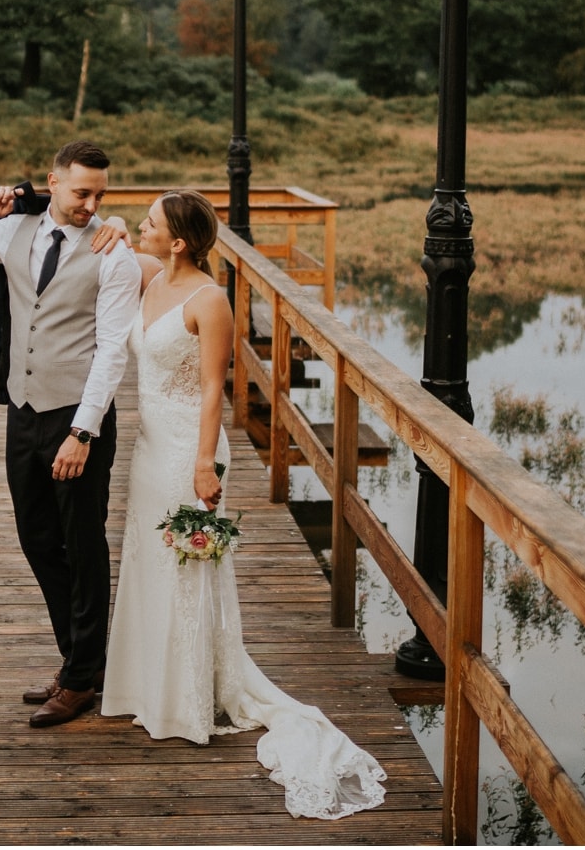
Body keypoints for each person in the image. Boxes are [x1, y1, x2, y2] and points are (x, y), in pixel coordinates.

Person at [101, 190, 387, 820]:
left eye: (151, 222)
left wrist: (205, 464)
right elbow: (112, 237)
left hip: (187, 448)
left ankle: (185, 698)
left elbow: (212, 391)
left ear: (178, 241)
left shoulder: (210, 300)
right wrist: (118, 224)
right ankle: (148, 683)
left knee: (184, 566)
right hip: (148, 447)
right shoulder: (150, 276)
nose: (142, 226)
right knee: (150, 561)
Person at [0, 140, 142, 728]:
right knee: (37, 539)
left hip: (78, 416)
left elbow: (112, 353)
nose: (90, 204)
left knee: (83, 540)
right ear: (53, 181)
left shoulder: (112, 255)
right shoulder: (13, 233)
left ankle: (79, 679)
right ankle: (80, 659)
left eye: (100, 194)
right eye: (80, 192)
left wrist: (82, 432)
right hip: (23, 411)